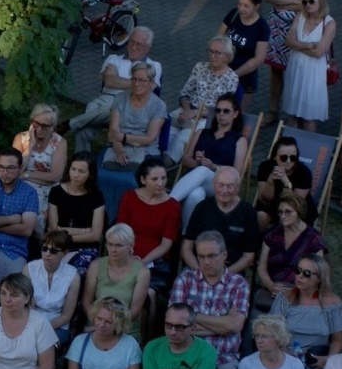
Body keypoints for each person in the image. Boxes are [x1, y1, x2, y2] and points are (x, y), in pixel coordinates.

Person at [65, 25, 163, 153]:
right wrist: (137, 82)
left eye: (138, 44)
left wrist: (118, 79)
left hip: (130, 105)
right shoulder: (113, 59)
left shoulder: (154, 66)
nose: (133, 47)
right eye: (131, 42)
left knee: (111, 108)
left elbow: (148, 89)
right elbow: (109, 81)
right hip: (104, 100)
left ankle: (69, 124)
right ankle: (82, 165)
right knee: (83, 131)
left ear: (147, 48)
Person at [270, 254, 342, 369]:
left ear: (319, 278)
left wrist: (328, 359)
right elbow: (271, 331)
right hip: (285, 357)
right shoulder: (285, 299)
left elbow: (338, 340)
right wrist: (284, 352)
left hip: (316, 362)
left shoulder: (332, 304)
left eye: (306, 273)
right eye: (298, 271)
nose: (299, 276)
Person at [264, 0, 323, 115]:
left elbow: (310, 4)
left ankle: (293, 112)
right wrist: (295, 2)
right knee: (275, 71)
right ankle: (273, 110)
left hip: (299, 28)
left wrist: (282, 1)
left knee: (296, 72)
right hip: (277, 25)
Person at [171, 231, 251, 368]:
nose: (206, 262)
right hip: (187, 355)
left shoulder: (239, 284)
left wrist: (191, 317)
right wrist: (223, 326)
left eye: (212, 256)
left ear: (224, 255)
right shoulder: (184, 280)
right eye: (201, 257)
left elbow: (235, 325)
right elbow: (176, 326)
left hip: (224, 358)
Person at [172, 93, 249, 224]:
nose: (221, 114)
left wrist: (214, 167)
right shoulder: (201, 132)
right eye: (218, 110)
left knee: (203, 170)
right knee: (196, 194)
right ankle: (186, 235)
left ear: (235, 114)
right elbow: (185, 160)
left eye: (226, 111)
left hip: (221, 184)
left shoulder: (239, 140)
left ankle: (168, 203)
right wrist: (197, 162)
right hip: (195, 179)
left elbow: (237, 173)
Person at [165, 35, 241, 161]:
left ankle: (165, 167)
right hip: (187, 110)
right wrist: (187, 109)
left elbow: (222, 109)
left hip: (207, 119)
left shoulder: (231, 78)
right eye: (210, 51)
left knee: (181, 140)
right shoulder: (200, 67)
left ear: (227, 57)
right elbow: (185, 93)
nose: (212, 56)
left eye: (217, 53)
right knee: (165, 131)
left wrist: (196, 113)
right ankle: (153, 162)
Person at [182, 166, 262, 273]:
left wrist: (224, 275)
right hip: (200, 268)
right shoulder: (202, 208)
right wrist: (199, 271)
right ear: (214, 185)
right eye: (220, 185)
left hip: (231, 271)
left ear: (238, 187)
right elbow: (187, 246)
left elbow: (249, 256)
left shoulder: (248, 212)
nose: (224, 190)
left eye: (229, 186)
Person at [0, 148, 41, 270]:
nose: (4, 172)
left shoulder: (30, 193)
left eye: (10, 168)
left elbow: (26, 230)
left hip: (14, 253)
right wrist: (10, 219)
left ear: (20, 168)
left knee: (15, 286)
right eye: (1, 167)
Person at [256, 192, 326, 307]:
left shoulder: (313, 240)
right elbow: (262, 267)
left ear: (299, 213)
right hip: (272, 290)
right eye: (280, 212)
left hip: (300, 294)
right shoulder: (272, 235)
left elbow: (317, 275)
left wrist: (295, 292)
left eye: (288, 212)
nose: (283, 216)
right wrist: (271, 286)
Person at [279, 0, 335, 131]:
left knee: (309, 118)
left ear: (320, 1)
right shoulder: (300, 16)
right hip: (296, 68)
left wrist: (297, 44)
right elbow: (287, 41)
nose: (307, 5)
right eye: (304, 1)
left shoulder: (329, 23)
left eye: (311, 1)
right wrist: (310, 45)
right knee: (292, 115)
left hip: (314, 73)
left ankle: (308, 150)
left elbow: (319, 53)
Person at [116, 156, 180, 282]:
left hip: (154, 259)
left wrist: (143, 262)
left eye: (163, 178)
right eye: (154, 179)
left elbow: (166, 244)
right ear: (143, 179)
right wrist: (128, 256)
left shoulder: (173, 206)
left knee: (143, 290)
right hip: (126, 252)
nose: (160, 183)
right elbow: (121, 231)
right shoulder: (129, 197)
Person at [82, 224, 150, 342]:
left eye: (119, 245)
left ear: (131, 246)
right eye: (110, 244)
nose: (113, 249)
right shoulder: (96, 265)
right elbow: (86, 301)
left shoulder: (142, 272)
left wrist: (112, 328)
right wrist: (99, 324)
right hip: (96, 326)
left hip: (126, 330)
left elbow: (134, 311)